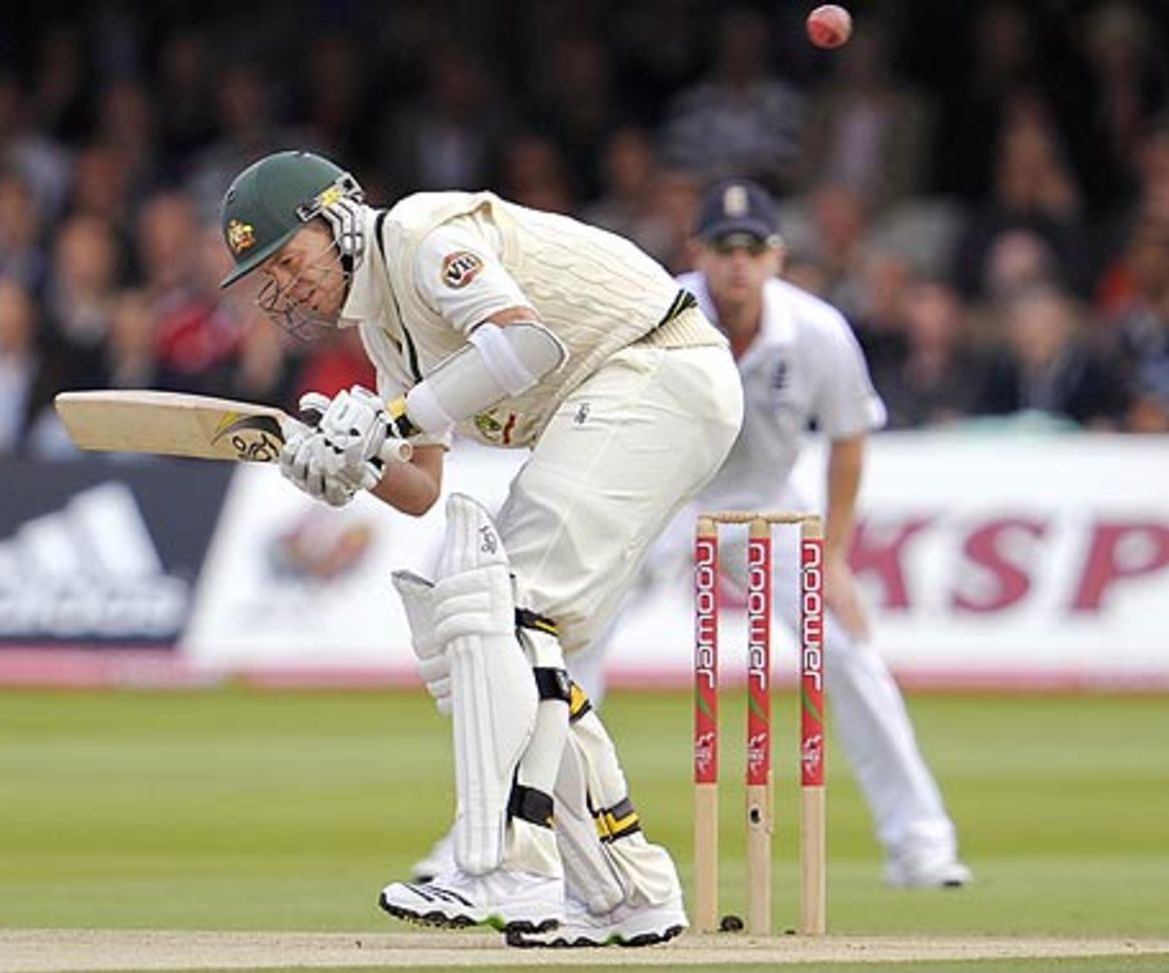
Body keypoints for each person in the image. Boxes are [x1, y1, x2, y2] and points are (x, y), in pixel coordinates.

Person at [216, 151, 743, 947]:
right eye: (270, 273)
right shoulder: (384, 325)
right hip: (619, 393)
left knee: (506, 608)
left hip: (656, 366)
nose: (286, 284)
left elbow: (527, 347)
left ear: (338, 219)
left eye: (289, 258)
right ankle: (623, 886)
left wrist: (386, 423)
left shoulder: (425, 234)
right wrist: (338, 464)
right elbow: (422, 484)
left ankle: (508, 863)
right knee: (496, 624)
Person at [572, 178, 972, 889]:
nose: (737, 263)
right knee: (571, 654)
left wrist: (836, 556)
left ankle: (922, 846)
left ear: (776, 257)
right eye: (723, 248)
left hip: (770, 508)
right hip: (661, 501)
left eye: (752, 249)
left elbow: (849, 438)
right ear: (697, 252)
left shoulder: (816, 331)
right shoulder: (656, 315)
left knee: (851, 652)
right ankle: (494, 846)